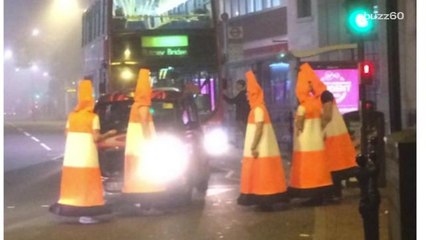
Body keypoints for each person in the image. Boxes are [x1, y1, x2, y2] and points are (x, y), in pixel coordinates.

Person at [49, 80, 117, 224]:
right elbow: (96, 137)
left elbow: (67, 133)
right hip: (87, 157)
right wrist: (109, 134)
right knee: (88, 184)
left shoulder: (72, 116)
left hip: (71, 158)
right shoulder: (92, 117)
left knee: (74, 184)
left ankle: (74, 209)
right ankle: (86, 215)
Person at [302, 63, 358, 200]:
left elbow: (327, 115)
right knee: (334, 165)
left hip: (332, 134)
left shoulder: (325, 94)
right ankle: (334, 193)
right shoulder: (320, 96)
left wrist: (318, 128)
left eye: (309, 84)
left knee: (335, 165)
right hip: (332, 134)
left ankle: (334, 194)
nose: (308, 87)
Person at [237, 70, 287, 211]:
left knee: (262, 176)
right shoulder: (259, 108)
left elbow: (259, 129)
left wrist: (253, 146)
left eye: (248, 93)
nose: (247, 96)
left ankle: (265, 201)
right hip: (263, 150)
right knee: (262, 175)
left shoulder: (258, 109)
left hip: (260, 151)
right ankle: (263, 201)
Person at [288, 63, 333, 206]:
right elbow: (325, 118)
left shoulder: (303, 107)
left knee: (307, 170)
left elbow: (299, 124)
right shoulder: (317, 103)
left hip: (306, 145)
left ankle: (309, 194)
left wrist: (297, 121)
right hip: (318, 142)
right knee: (318, 169)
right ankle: (320, 195)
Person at [122, 68, 165, 207]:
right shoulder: (143, 105)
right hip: (143, 146)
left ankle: (141, 203)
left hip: (135, 147)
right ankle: (148, 205)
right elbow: (144, 121)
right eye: (150, 84)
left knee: (139, 173)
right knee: (147, 174)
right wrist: (149, 140)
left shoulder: (135, 104)